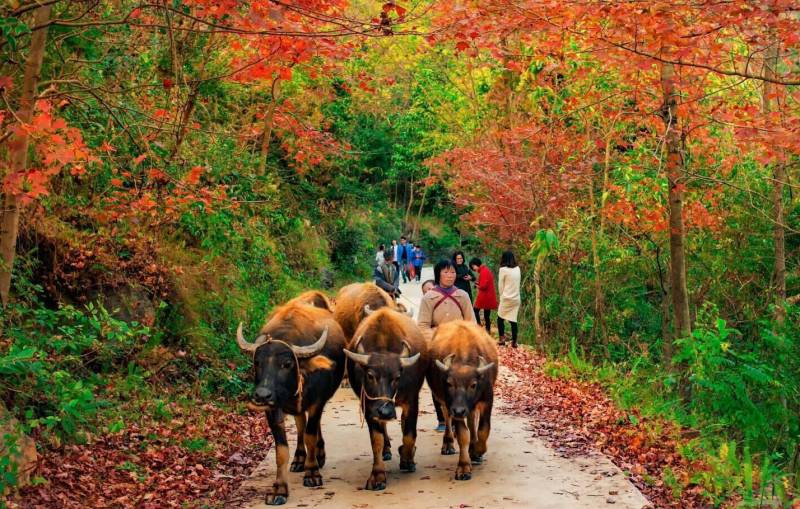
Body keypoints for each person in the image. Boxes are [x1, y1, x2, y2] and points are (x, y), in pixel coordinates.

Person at [417, 259, 477, 431]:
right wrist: (435, 340)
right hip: (439, 347)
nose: (450, 275)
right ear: (438, 275)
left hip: (461, 347)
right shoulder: (429, 297)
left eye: (452, 272)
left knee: (464, 382)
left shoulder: (463, 295)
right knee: (438, 382)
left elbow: (471, 322)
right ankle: (443, 420)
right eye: (446, 272)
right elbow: (422, 326)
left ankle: (464, 412)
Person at [497, 250, 521, 347]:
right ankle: (514, 341)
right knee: (513, 320)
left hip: (506, 297)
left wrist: (501, 296)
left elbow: (500, 286)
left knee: (500, 318)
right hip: (516, 298)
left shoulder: (503, 270)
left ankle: (502, 339)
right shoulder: (518, 269)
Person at [470, 257, 498, 334]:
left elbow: (483, 286)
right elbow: (484, 283)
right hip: (488, 295)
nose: (474, 269)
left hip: (485, 295)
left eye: (473, 267)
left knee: (475, 310)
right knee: (486, 315)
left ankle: (479, 327)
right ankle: (487, 330)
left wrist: (477, 286)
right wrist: (477, 283)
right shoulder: (485, 270)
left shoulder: (483, 271)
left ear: (475, 265)